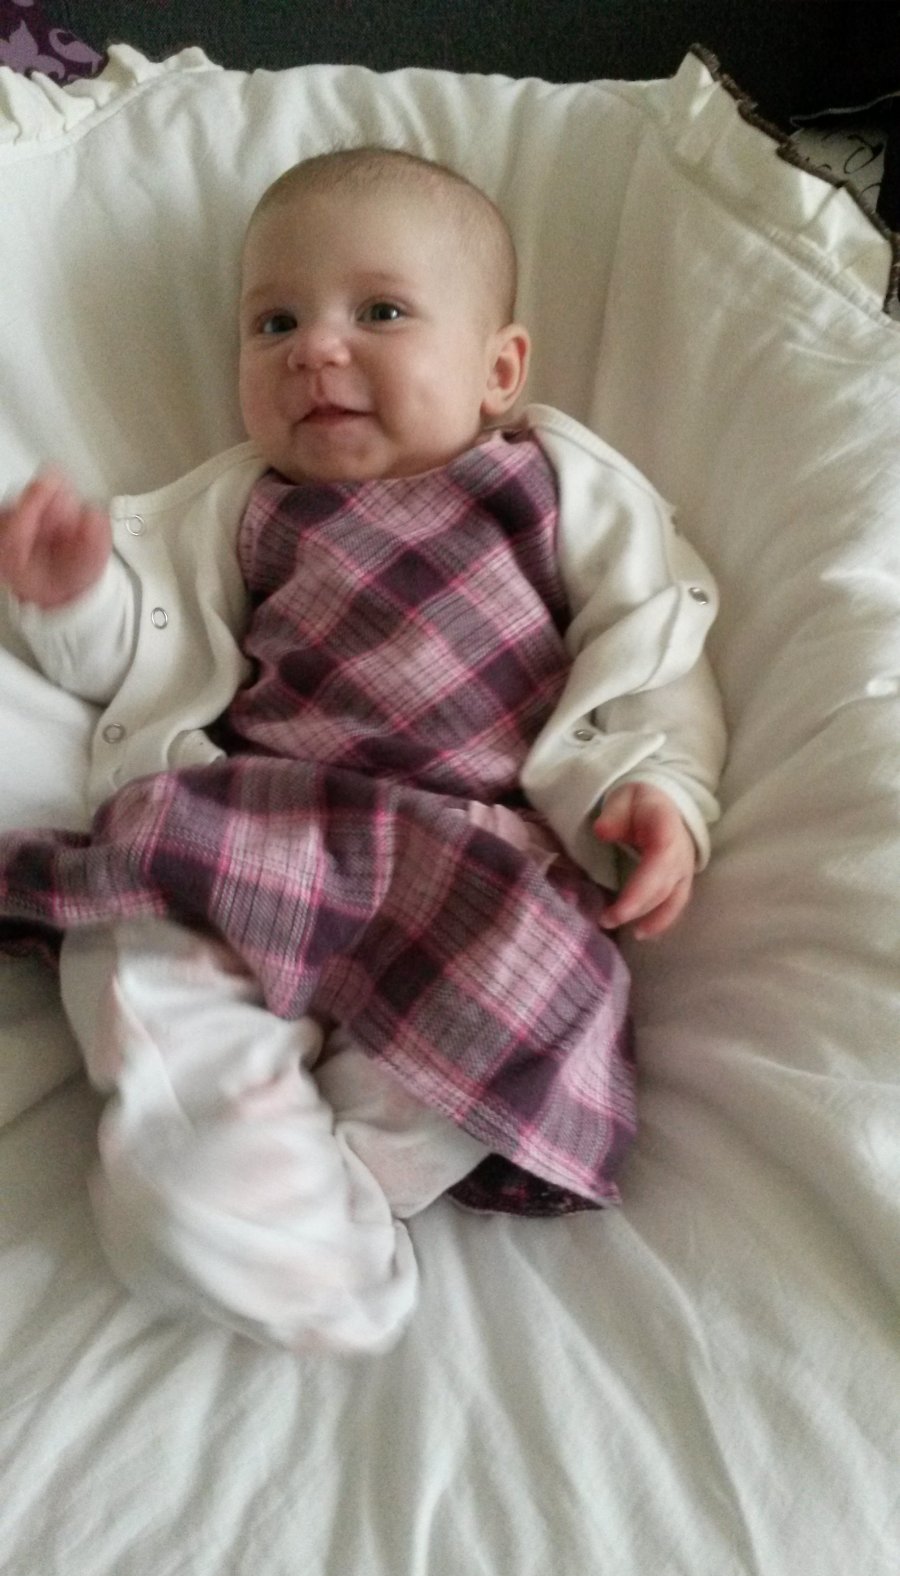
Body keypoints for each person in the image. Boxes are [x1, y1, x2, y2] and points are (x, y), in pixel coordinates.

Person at [0, 148, 725, 1352]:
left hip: (471, 860)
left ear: (499, 369)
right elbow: (135, 653)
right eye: (274, 322)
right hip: (266, 825)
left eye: (379, 313)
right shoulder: (238, 505)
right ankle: (238, 1186)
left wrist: (658, 789)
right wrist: (72, 595)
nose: (314, 350)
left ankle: (316, 1207)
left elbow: (652, 644)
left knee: (518, 1004)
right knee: (136, 947)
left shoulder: (548, 484)